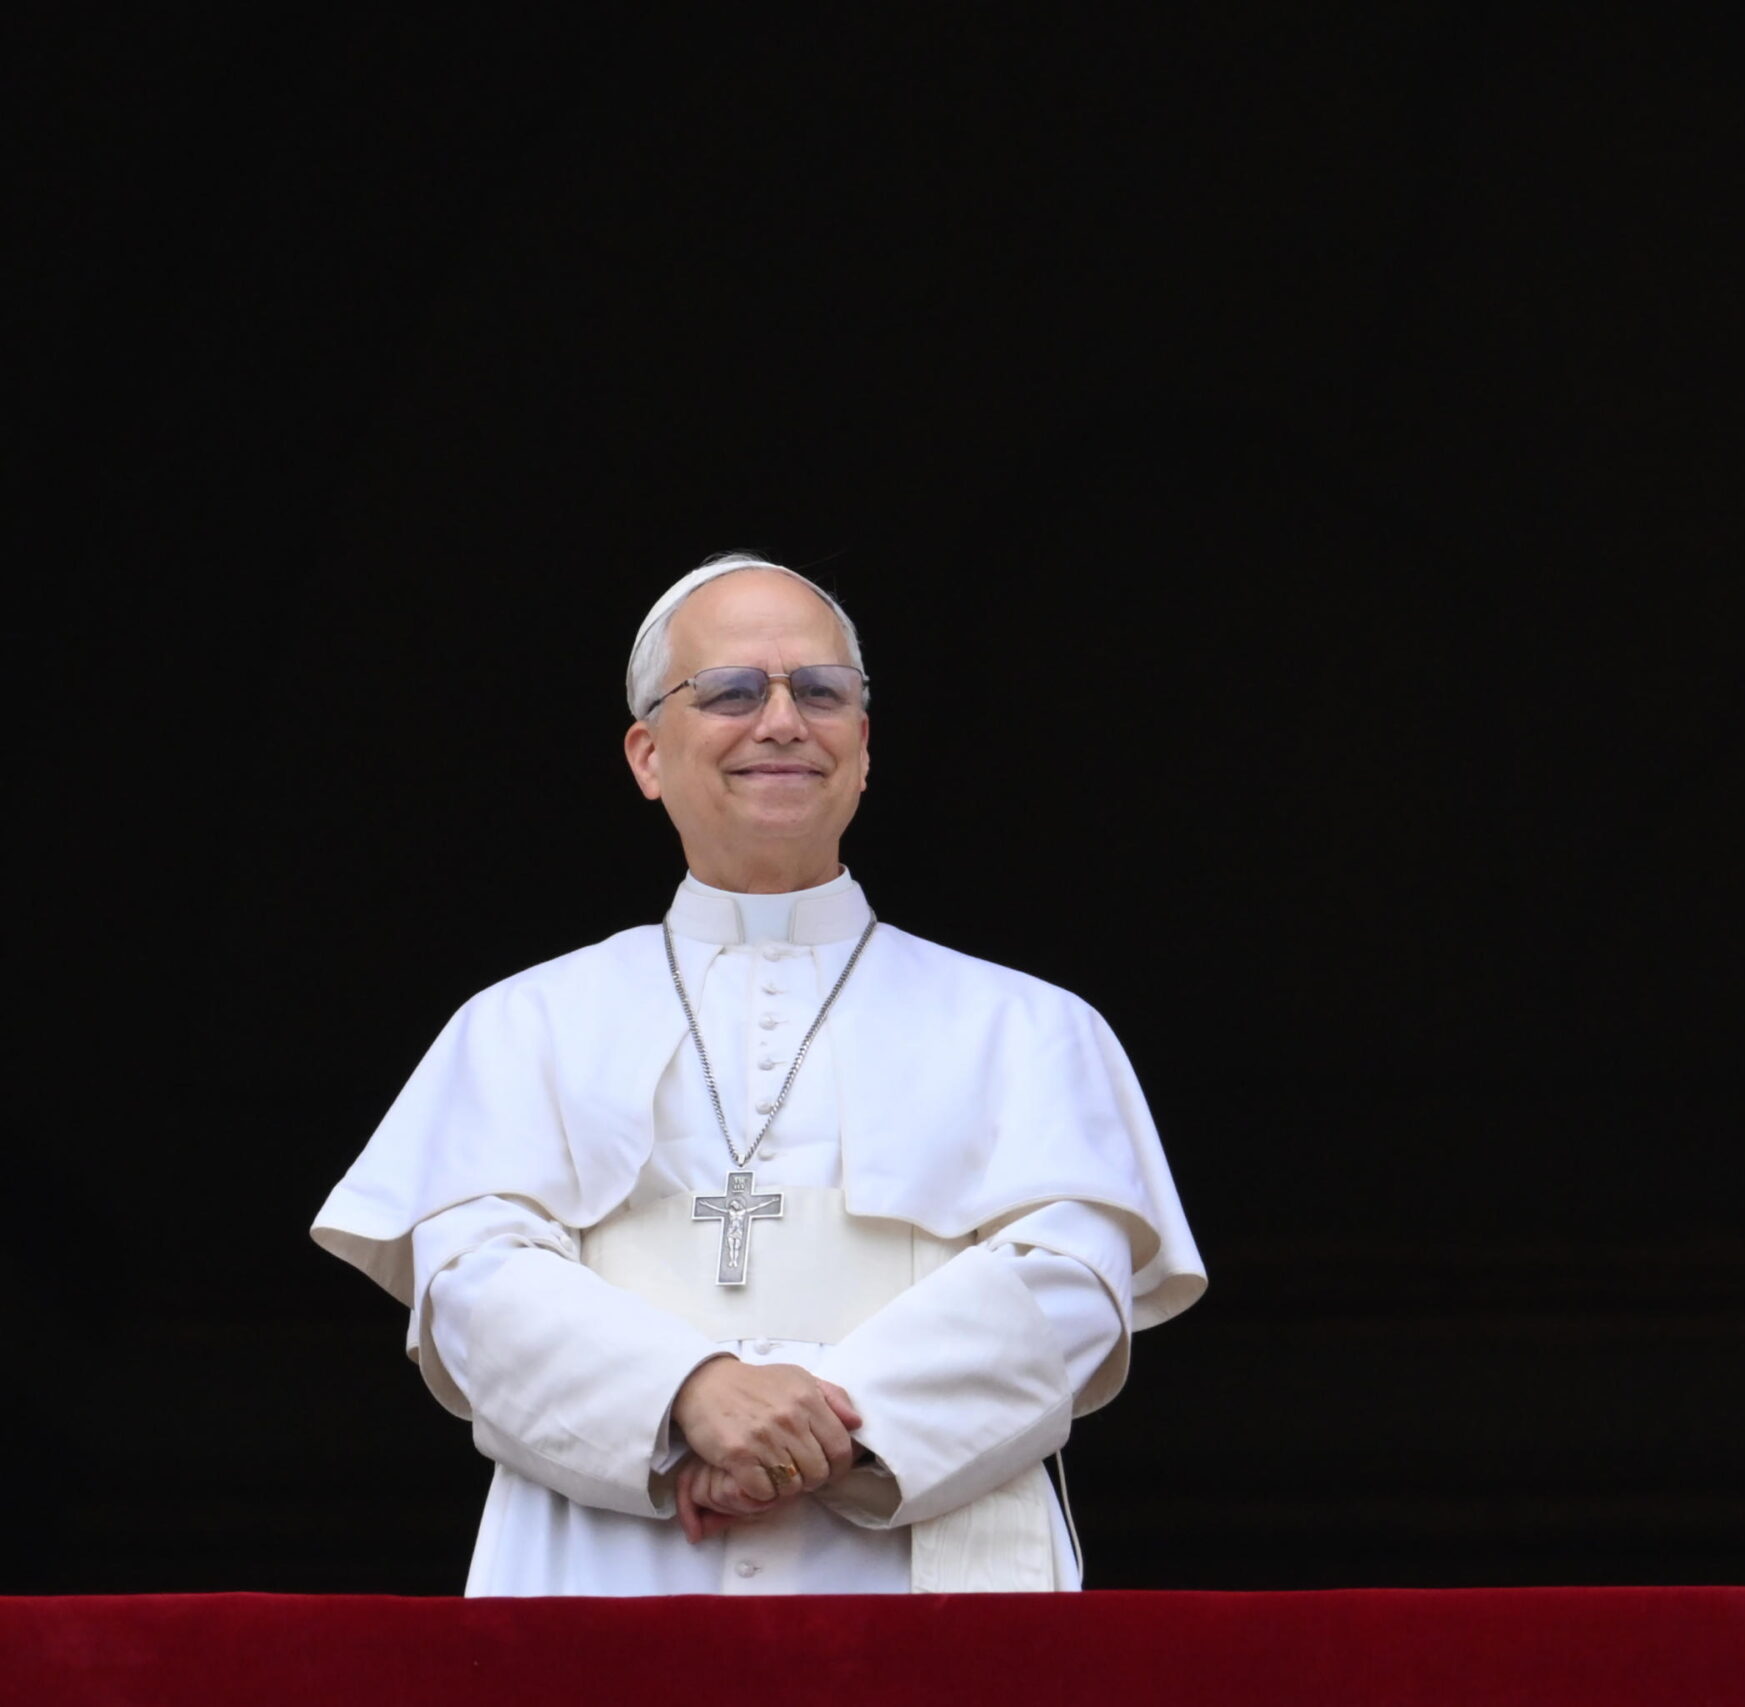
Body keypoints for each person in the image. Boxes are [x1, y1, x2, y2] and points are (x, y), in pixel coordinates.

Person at [313, 553, 1204, 1595]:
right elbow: (470, 1284)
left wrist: (816, 1429)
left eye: (820, 692)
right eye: (731, 691)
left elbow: (1073, 1285)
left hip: (916, 1567)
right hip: (609, 1564)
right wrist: (684, 1393)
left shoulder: (1031, 1029)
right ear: (648, 754)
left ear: (863, 748)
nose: (782, 721)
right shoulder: (520, 1025)